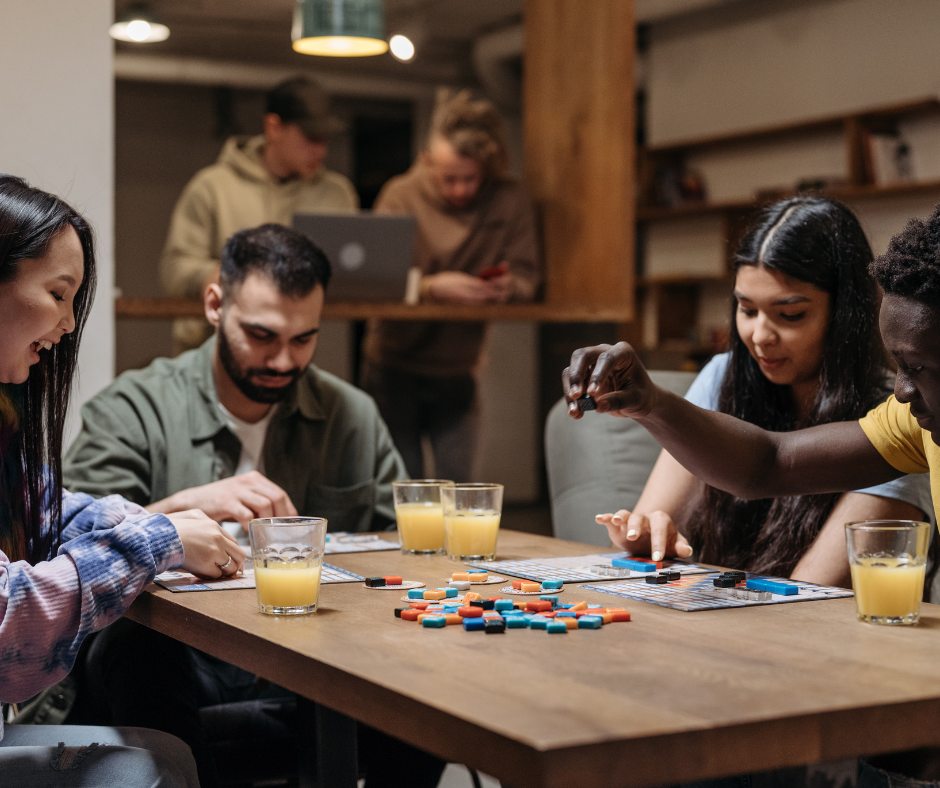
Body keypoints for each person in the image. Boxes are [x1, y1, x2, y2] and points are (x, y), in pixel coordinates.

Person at [563, 201, 940, 788]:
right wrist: (654, 403)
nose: (902, 392)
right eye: (745, 309)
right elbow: (771, 461)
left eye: (916, 367)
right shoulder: (915, 421)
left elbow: (809, 601)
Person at [65, 224, 444, 788]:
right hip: (181, 661)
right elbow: (66, 546)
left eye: (304, 339)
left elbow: (405, 548)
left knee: (429, 674)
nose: (284, 361)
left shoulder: (351, 415)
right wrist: (181, 511)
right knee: (135, 647)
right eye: (262, 335)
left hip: (312, 662)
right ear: (215, 304)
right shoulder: (133, 408)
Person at [0, 175, 245, 787]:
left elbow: (52, 511)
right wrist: (159, 539)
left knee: (165, 753)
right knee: (151, 763)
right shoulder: (139, 398)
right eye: (59, 294)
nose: (66, 324)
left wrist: (162, 527)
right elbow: (10, 626)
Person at [594, 198, 930, 588]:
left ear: (845, 313)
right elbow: (651, 528)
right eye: (747, 310)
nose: (759, 336)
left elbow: (808, 595)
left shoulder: (905, 412)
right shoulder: (722, 374)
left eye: (790, 315)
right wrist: (642, 535)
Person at [361, 89, 542, 481]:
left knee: (460, 493)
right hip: (393, 363)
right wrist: (429, 288)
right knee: (399, 491)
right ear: (427, 162)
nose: (460, 190)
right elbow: (373, 281)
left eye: (471, 178)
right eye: (449, 179)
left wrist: (507, 288)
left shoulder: (510, 200)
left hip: (459, 368)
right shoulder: (400, 195)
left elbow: (529, 277)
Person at [161, 75, 358, 355]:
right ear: (273, 127)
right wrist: (213, 274)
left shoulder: (337, 193)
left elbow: (353, 272)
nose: (321, 150)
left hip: (297, 355)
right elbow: (174, 268)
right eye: (311, 137)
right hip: (212, 352)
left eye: (325, 139)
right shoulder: (211, 187)